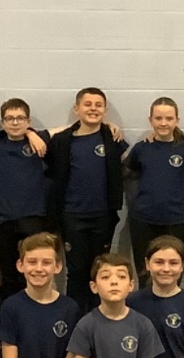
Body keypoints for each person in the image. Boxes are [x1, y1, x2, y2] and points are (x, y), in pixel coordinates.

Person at [47, 87, 128, 313]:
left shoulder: (111, 138)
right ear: (77, 109)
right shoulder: (63, 140)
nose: (93, 109)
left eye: (98, 105)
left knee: (100, 270)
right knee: (76, 272)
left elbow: (132, 164)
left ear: (105, 110)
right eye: (88, 104)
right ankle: (75, 319)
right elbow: (36, 136)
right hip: (72, 216)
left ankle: (99, 316)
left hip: (103, 216)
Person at [123, 97, 184, 284]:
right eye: (158, 118)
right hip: (142, 219)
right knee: (145, 274)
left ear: (177, 120)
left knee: (173, 274)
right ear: (150, 120)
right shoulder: (141, 148)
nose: (163, 123)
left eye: (169, 118)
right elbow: (126, 172)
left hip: (175, 220)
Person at [0, 232, 82, 358]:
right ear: (20, 265)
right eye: (32, 262)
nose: (39, 268)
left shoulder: (70, 308)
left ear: (58, 267)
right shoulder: (11, 307)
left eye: (46, 262)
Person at [0, 98, 52, 299]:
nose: (15, 123)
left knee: (34, 270)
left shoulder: (39, 142)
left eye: (20, 118)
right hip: (3, 219)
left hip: (33, 217)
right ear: (3, 122)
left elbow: (66, 130)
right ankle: (10, 310)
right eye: (10, 118)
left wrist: (32, 134)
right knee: (8, 272)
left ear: (28, 121)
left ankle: (35, 306)